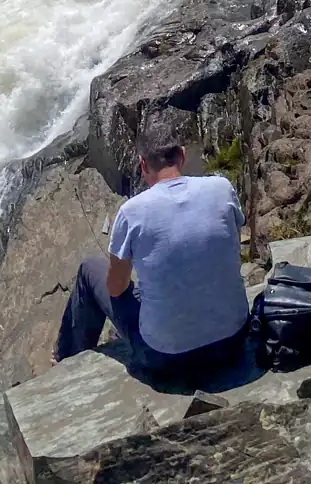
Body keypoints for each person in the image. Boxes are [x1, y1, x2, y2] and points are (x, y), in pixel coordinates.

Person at [54, 138, 251, 379]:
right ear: (182, 155)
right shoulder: (221, 188)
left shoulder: (132, 212)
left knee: (90, 268)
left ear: (143, 165)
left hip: (166, 359)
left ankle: (67, 362)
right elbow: (230, 246)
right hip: (233, 343)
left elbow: (115, 289)